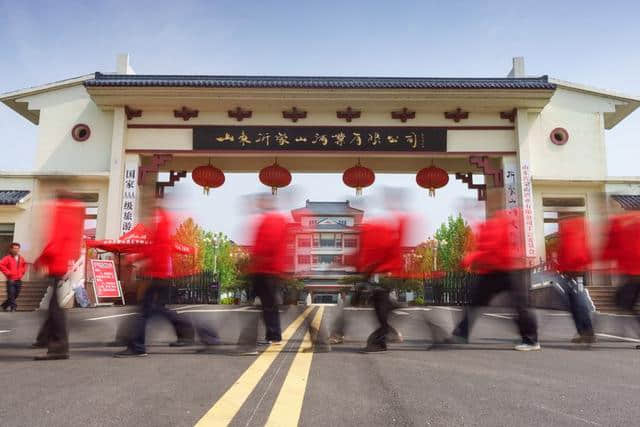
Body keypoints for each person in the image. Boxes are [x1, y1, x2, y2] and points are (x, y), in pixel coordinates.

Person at [449, 209, 540, 351]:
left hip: (510, 270)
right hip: (491, 271)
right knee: (475, 302)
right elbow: (484, 248)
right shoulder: (486, 226)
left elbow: (491, 248)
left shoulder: (500, 222)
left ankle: (531, 340)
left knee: (520, 305)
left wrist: (470, 258)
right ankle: (461, 333)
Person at [114, 207, 195, 357]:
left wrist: (135, 259)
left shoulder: (160, 222)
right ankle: (187, 332)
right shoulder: (163, 222)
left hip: (159, 275)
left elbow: (155, 249)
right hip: (161, 274)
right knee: (155, 310)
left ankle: (136, 346)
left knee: (145, 311)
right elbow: (156, 248)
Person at [33, 192, 85, 360]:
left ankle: (59, 347)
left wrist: (41, 261)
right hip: (66, 262)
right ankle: (45, 338)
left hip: (58, 262)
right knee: (54, 304)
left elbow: (56, 240)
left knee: (56, 307)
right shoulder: (76, 211)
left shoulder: (63, 210)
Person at [243, 194, 289, 353]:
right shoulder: (274, 220)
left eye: (261, 201)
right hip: (268, 269)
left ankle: (273, 336)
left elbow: (267, 245)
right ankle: (273, 335)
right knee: (268, 306)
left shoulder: (272, 220)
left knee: (268, 305)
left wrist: (256, 261)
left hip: (266, 269)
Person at [555, 215, 596, 343]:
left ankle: (587, 332)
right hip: (572, 272)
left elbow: (571, 252)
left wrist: (565, 267)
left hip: (574, 272)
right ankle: (584, 332)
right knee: (575, 303)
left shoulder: (571, 233)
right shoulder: (575, 233)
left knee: (578, 303)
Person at [0, 242, 27, 312]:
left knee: (16, 294)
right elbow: (1, 265)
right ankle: (13, 307)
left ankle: (4, 305)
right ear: (11, 249)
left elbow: (24, 266)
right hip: (11, 280)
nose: (16, 250)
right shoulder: (7, 258)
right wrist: (8, 273)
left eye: (17, 248)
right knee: (11, 294)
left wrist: (22, 273)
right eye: (14, 248)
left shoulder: (21, 258)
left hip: (18, 279)